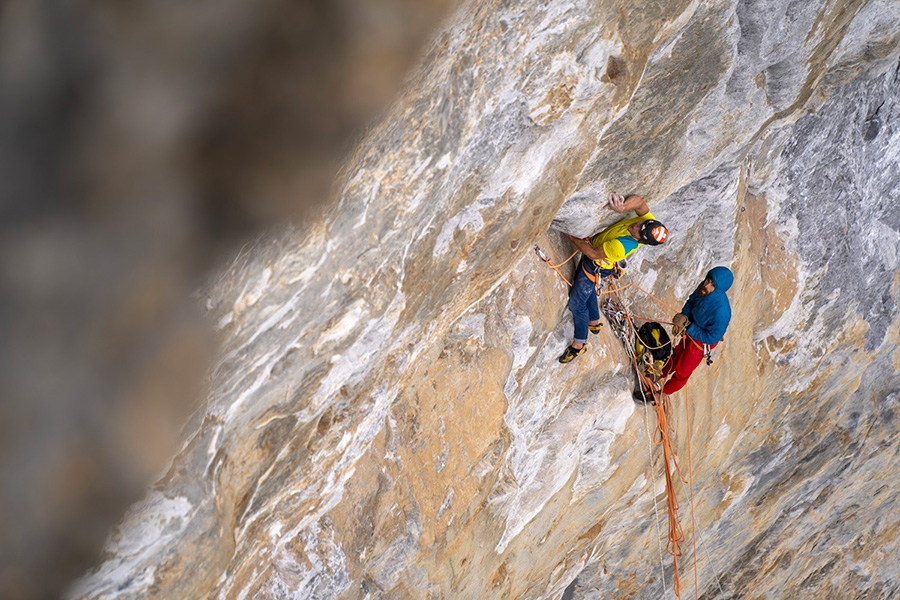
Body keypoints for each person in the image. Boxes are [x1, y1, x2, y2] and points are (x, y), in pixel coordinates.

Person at [558, 192, 668, 363]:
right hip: (598, 266)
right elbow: (639, 202)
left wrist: (570, 235)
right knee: (589, 292)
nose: (636, 227)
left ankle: (579, 344)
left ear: (643, 241)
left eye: (639, 232)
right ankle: (594, 321)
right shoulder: (648, 224)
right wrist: (623, 207)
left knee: (577, 303)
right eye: (640, 224)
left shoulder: (621, 246)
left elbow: (593, 253)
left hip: (594, 266)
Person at [660, 266, 733, 393]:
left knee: (683, 369)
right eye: (708, 280)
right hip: (691, 326)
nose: (707, 285)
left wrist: (689, 327)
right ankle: (659, 374)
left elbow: (712, 337)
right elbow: (691, 301)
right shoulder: (704, 289)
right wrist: (684, 317)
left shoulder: (722, 312)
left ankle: (664, 393)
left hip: (703, 341)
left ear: (719, 290)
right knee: (677, 354)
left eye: (712, 285)